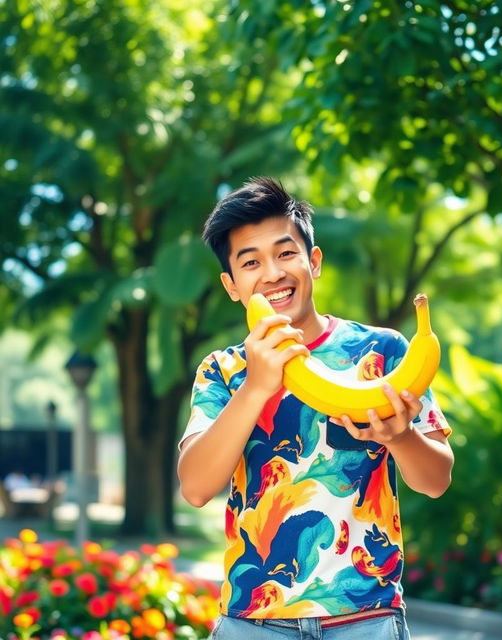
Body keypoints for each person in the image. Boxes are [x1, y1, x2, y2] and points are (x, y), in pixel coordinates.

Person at [177, 177, 454, 640]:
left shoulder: (382, 353)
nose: (272, 273)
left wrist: (399, 436)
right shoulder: (223, 370)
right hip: (254, 621)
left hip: (367, 617)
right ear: (231, 285)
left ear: (314, 261)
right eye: (251, 262)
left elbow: (436, 480)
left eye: (286, 253)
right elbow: (196, 487)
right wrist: (256, 387)